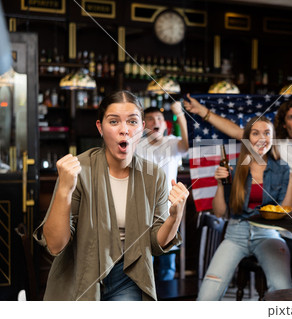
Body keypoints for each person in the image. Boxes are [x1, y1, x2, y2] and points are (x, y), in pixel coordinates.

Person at [33, 90, 189, 301]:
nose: (124, 130)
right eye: (114, 121)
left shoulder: (155, 176)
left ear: (142, 128)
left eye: (132, 122)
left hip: (129, 276)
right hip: (81, 274)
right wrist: (64, 191)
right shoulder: (78, 169)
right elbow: (55, 245)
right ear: (100, 127)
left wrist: (175, 216)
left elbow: (156, 244)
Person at [196, 116, 292, 300]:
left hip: (269, 234)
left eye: (266, 133)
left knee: (282, 290)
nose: (262, 138)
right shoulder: (233, 167)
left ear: (273, 137)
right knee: (206, 296)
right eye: (255, 133)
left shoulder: (282, 169)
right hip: (235, 234)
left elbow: (285, 209)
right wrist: (220, 184)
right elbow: (220, 213)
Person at [135, 101, 189, 281]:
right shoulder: (136, 145)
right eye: (149, 119)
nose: (155, 121)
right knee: (143, 254)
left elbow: (187, 145)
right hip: (141, 207)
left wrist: (179, 115)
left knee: (167, 254)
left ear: (165, 125)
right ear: (143, 126)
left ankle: (167, 292)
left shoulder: (172, 142)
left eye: (159, 118)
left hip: (168, 208)